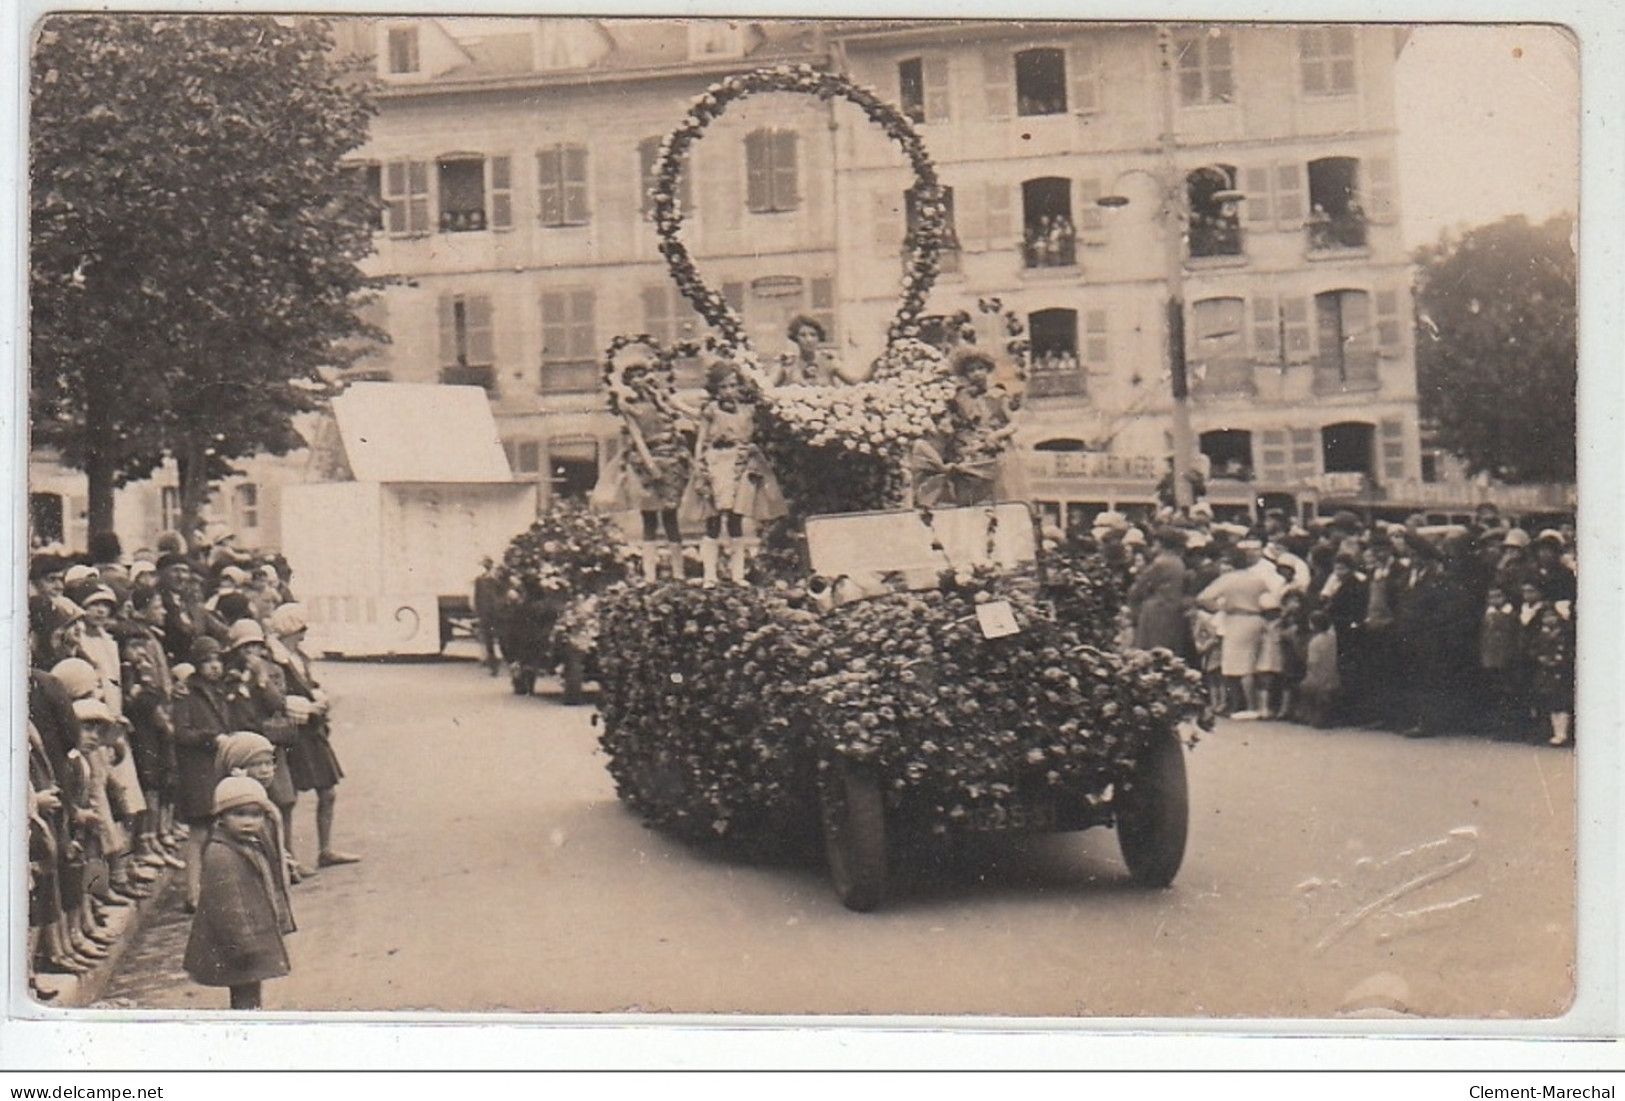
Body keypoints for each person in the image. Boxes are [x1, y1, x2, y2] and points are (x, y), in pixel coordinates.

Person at [183, 775, 295, 1011]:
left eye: (255, 815)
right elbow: (227, 903)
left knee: (250, 991)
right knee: (245, 994)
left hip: (249, 935)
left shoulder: (249, 842)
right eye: (239, 814)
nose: (248, 822)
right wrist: (243, 942)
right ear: (222, 817)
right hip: (237, 940)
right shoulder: (221, 854)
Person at [593, 349, 698, 584]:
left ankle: (678, 572)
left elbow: (679, 412)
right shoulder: (630, 406)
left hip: (670, 457)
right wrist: (650, 465)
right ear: (629, 381)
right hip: (646, 463)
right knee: (649, 518)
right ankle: (650, 575)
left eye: (643, 374)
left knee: (670, 517)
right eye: (635, 376)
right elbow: (637, 437)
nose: (640, 380)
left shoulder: (660, 401)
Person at [268, 603, 359, 869]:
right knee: (288, 797)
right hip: (294, 731)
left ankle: (325, 849)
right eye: (300, 629)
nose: (304, 634)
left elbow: (310, 684)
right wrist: (307, 704)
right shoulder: (276, 660)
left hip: (312, 729)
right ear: (289, 630)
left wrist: (318, 696)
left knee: (327, 791)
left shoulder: (298, 657)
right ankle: (289, 858)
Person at [684, 362, 785, 587]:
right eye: (723, 387)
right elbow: (701, 440)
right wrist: (700, 466)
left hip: (741, 464)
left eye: (733, 385)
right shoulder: (711, 410)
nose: (729, 391)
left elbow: (767, 393)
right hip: (716, 463)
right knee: (713, 520)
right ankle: (710, 575)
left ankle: (737, 574)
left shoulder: (748, 409)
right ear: (715, 389)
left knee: (736, 518)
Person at [172, 637, 236, 911]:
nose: (214, 667)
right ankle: (193, 894)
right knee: (199, 833)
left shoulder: (217, 690)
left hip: (213, 769)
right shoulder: (188, 692)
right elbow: (181, 732)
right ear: (196, 665)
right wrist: (212, 738)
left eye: (216, 660)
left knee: (214, 831)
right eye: (207, 661)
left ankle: (209, 889)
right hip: (197, 771)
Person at [1126, 526, 1190, 655]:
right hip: (1173, 609)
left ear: (1161, 543)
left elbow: (1141, 586)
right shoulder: (1178, 562)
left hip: (1156, 610)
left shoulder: (1160, 562)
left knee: (1149, 649)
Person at [773, 315, 845, 387]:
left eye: (813, 335)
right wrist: (780, 367)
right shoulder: (789, 363)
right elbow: (767, 387)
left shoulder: (828, 360)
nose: (809, 340)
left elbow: (855, 381)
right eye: (803, 335)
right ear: (796, 338)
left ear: (819, 337)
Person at [473, 557, 504, 675]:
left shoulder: (496, 579)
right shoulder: (480, 580)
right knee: (488, 640)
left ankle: (499, 661)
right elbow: (477, 598)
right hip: (486, 614)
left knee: (501, 638)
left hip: (497, 613)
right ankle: (493, 664)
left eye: (487, 564)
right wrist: (478, 613)